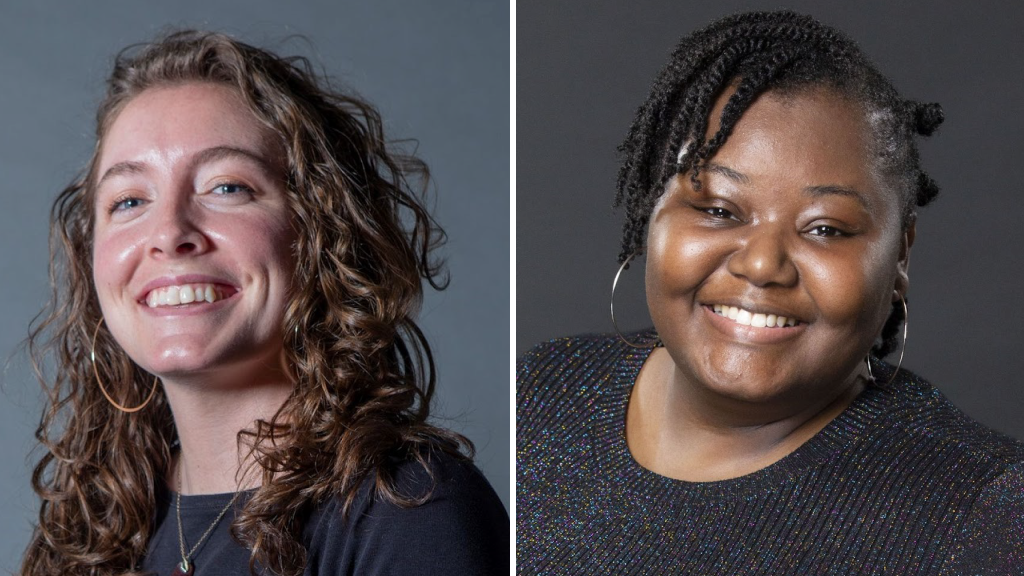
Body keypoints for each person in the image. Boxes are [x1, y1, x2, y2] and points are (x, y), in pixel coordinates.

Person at [517, 10, 1024, 575]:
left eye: (825, 228)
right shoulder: (542, 394)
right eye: (716, 210)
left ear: (900, 253)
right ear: (650, 215)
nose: (762, 265)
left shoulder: (986, 510)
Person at [21, 30, 507, 576]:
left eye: (227, 187)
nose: (170, 233)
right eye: (130, 200)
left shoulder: (409, 510)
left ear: (319, 231)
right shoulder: (88, 531)